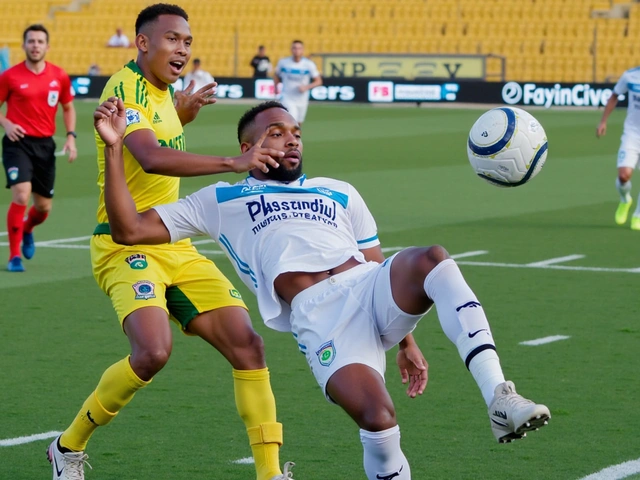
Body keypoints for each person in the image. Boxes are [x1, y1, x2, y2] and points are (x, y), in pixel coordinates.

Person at [95, 98, 552, 480]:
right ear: (247, 146)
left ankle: (500, 396)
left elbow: (376, 260)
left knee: (433, 257)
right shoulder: (220, 200)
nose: (291, 138)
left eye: (295, 131)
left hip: (369, 285)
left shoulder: (340, 191)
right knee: (377, 417)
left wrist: (406, 341)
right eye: (276, 132)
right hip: (320, 315)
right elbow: (129, 229)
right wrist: (115, 150)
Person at [47, 5, 294, 480]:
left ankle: (269, 474)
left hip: (173, 241)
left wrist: (182, 113)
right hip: (126, 243)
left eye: (187, 42)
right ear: (142, 43)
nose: (182, 49)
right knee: (152, 352)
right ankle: (67, 447)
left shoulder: (163, 93)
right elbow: (149, 155)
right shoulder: (124, 86)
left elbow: (159, 132)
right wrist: (232, 162)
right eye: (172, 39)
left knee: (248, 345)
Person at [0, 24, 77, 272]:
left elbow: (68, 107)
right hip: (17, 143)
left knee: (43, 208)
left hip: (45, 145)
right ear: (23, 45)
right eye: (31, 41)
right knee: (21, 194)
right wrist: (6, 123)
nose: (35, 45)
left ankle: (28, 228)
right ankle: (14, 257)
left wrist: (71, 137)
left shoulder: (59, 76)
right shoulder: (10, 76)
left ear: (47, 46)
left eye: (40, 41)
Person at [597, 69, 640, 230]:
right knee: (624, 175)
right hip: (632, 134)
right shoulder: (630, 76)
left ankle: (638, 216)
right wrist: (603, 122)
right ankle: (625, 199)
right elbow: (614, 95)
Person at [274, 40, 322, 124]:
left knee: (299, 124)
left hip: (302, 98)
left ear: (303, 50)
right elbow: (276, 75)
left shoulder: (309, 64)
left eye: (299, 48)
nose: (297, 50)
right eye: (294, 48)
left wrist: (306, 87)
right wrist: (275, 88)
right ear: (291, 50)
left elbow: (318, 81)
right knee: (292, 121)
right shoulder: (283, 63)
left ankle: (295, 137)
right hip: (287, 97)